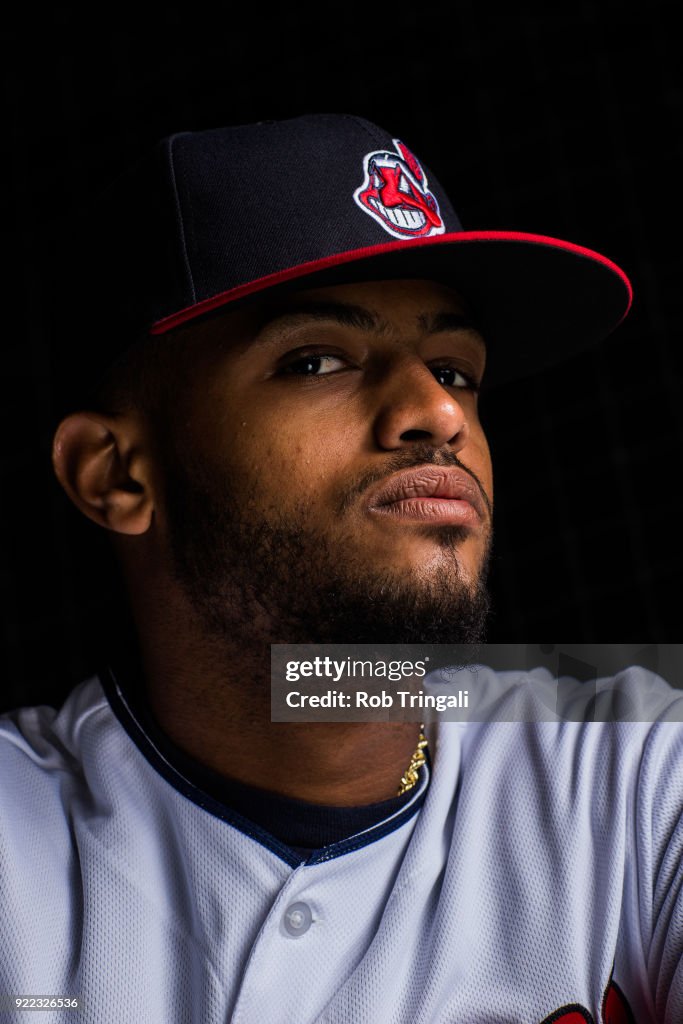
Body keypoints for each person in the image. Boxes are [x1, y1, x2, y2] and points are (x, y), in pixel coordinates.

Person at [0, 114, 680, 1023]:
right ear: (118, 475)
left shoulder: (637, 768)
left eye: (455, 368)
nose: (436, 410)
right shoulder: (14, 849)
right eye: (316, 358)